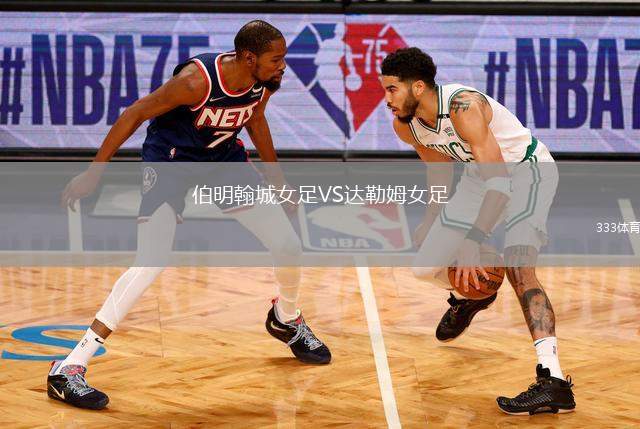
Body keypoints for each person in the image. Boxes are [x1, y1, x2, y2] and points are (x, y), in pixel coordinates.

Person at [47, 20, 331, 411]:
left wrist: (278, 181)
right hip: (172, 163)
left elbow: (255, 119)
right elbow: (134, 114)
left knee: (288, 245)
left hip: (222, 161)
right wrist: (94, 173)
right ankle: (69, 368)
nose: (283, 65)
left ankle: (286, 318)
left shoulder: (263, 81)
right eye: (276, 59)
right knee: (151, 262)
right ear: (250, 58)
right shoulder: (195, 82)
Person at [379, 47, 575, 415]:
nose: (386, 99)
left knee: (519, 268)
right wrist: (432, 216)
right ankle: (474, 296)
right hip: (479, 178)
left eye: (392, 90)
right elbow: (438, 168)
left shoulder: (463, 107)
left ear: (417, 87)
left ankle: (553, 380)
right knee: (424, 268)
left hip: (527, 173)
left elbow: (501, 184)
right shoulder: (406, 125)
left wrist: (474, 240)